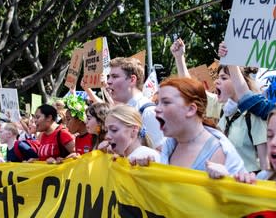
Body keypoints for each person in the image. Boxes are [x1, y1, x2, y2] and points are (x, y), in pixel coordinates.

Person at [170, 39, 267, 172]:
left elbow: (266, 166)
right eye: (218, 77)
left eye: (224, 78)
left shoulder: (254, 115)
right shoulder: (222, 108)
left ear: (239, 80)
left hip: (245, 185)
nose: (216, 82)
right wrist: (179, 57)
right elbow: (191, 91)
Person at [142, 77, 246, 175]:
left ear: (191, 109)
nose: (156, 109)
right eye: (157, 102)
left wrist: (225, 182)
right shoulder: (169, 146)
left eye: (166, 102)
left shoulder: (218, 151)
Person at [106, 57, 164, 150]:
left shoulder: (149, 112)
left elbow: (162, 155)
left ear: (132, 80)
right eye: (109, 77)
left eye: (115, 76)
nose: (108, 81)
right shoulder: (122, 110)